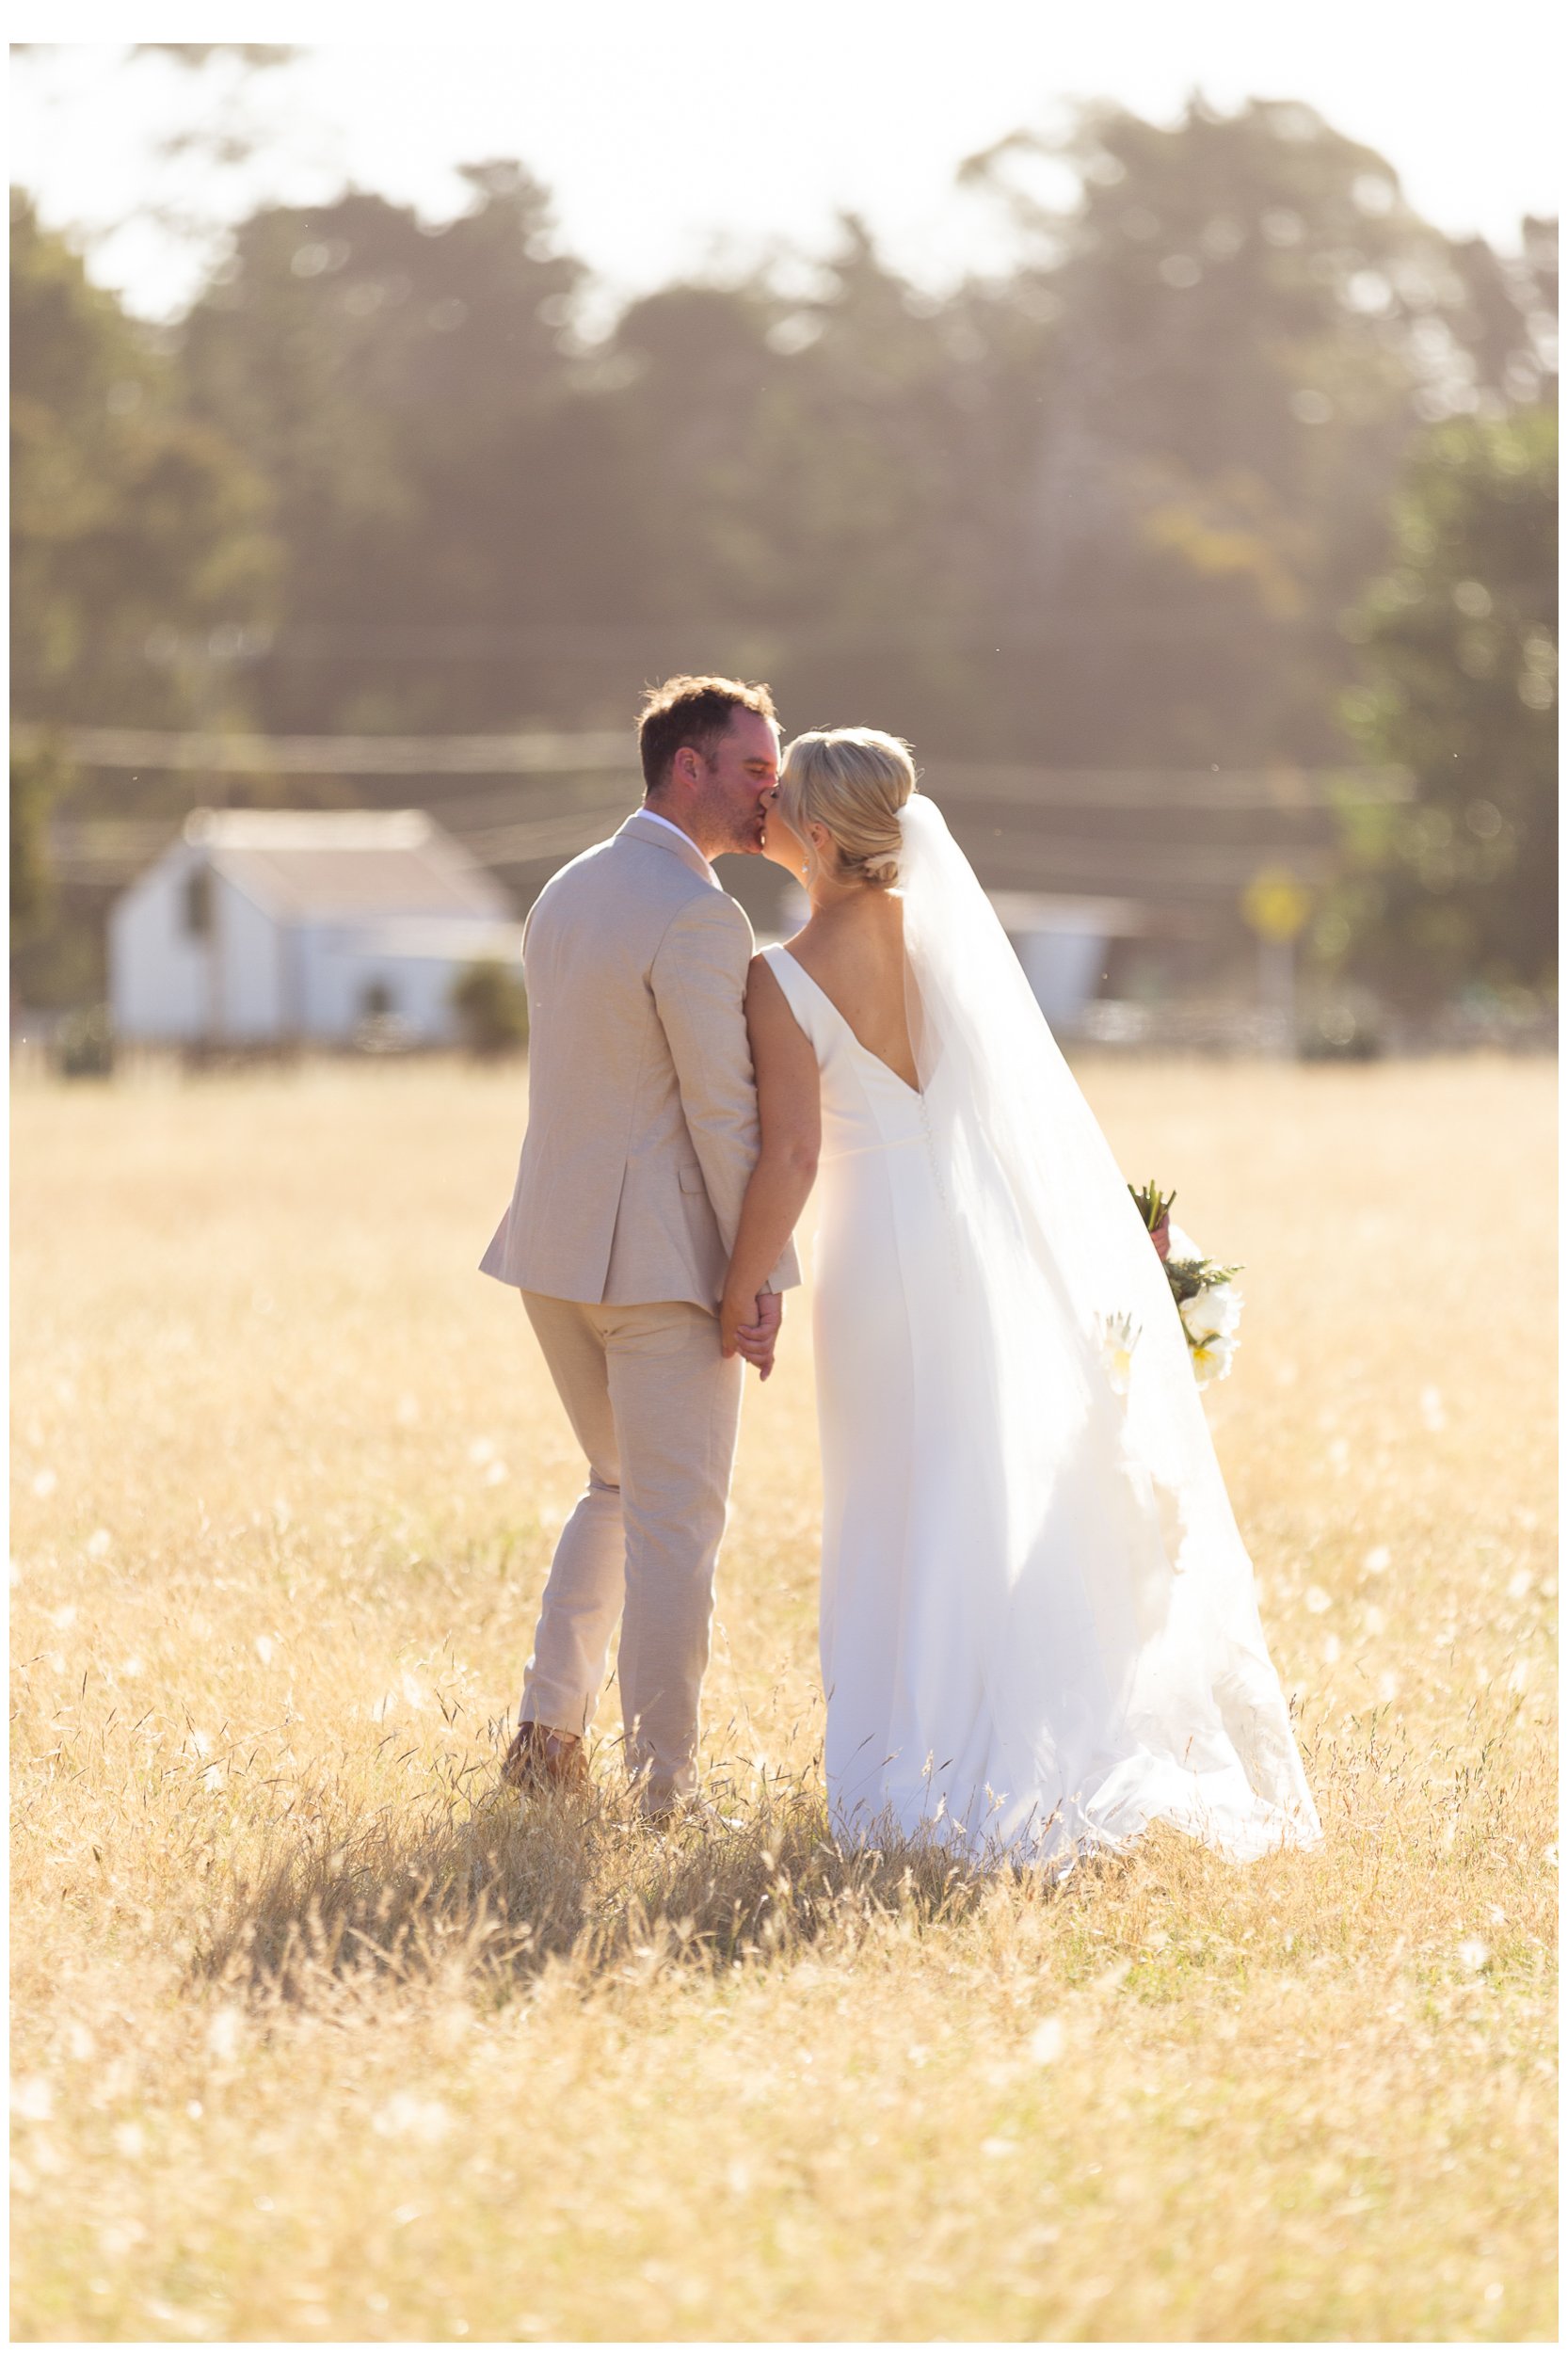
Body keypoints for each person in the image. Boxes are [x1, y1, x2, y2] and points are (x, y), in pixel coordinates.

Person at [722, 727, 1320, 1866]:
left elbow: (791, 1157)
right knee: (974, 1487)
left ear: (811, 829)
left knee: (892, 1501)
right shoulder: (949, 941)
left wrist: (738, 1281)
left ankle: (916, 1762)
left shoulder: (778, 976)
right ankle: (1016, 1741)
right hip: (967, 1245)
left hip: (871, 1265)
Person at [480, 677, 799, 1819]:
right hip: (658, 1272)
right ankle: (663, 1788)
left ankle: (542, 1735)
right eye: (755, 767)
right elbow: (727, 1117)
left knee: (616, 1489)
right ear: (688, 769)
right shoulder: (701, 915)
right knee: (677, 1527)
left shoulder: (566, 888)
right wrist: (753, 1274)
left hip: (550, 1256)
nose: (775, 787)